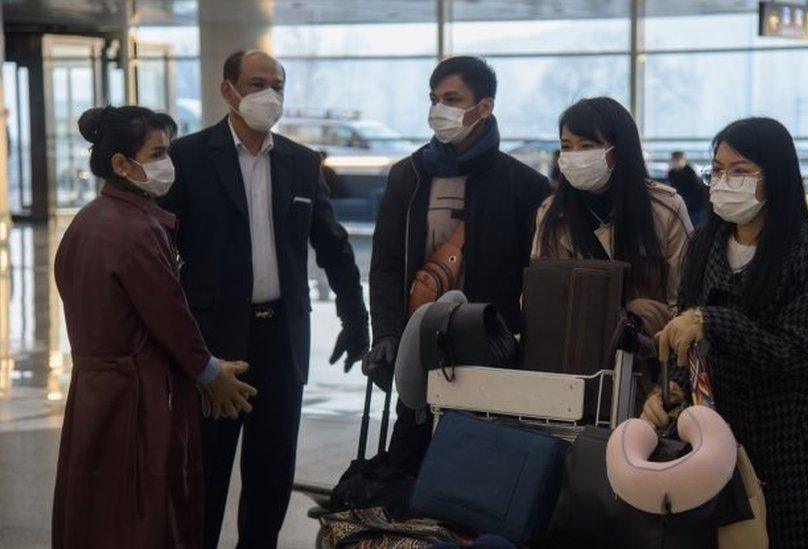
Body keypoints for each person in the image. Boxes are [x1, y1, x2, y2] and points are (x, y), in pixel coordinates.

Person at [160, 50, 369, 548]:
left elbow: (333, 243)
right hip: (215, 341)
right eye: (256, 83)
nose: (268, 95)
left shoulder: (300, 162)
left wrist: (353, 314)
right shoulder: (188, 158)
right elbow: (160, 253)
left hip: (282, 338)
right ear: (227, 90)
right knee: (205, 475)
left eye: (277, 84)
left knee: (272, 475)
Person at [52, 106, 257, 548]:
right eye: (157, 152)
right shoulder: (137, 231)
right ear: (122, 164)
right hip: (138, 400)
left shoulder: (87, 222)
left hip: (95, 393)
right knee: (141, 516)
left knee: (96, 513)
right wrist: (210, 374)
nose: (168, 164)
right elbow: (169, 317)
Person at [655, 117, 808, 547]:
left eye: (740, 171)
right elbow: (688, 343)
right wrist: (668, 391)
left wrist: (714, 320)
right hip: (715, 443)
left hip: (789, 451)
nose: (724, 181)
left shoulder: (807, 255)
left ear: (775, 177)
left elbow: (797, 356)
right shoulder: (704, 244)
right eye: (717, 170)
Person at [364, 56, 550, 476]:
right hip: (418, 344)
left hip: (488, 349)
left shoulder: (523, 186)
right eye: (434, 99)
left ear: (484, 107)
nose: (439, 110)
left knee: (474, 470)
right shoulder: (407, 176)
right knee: (407, 461)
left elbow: (536, 281)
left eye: (452, 98)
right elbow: (386, 265)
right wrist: (388, 333)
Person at [532, 97, 692, 336]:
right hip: (572, 349)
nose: (574, 155)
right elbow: (540, 293)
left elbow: (683, 300)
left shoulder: (665, 209)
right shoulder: (553, 213)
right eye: (566, 147)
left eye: (586, 146)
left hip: (649, 353)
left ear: (619, 150)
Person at [667, 151, 709, 228]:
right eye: (675, 160)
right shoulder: (672, 173)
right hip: (682, 204)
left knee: (694, 226)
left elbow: (696, 191)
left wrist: (685, 202)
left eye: (678, 160)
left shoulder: (690, 172)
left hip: (696, 206)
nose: (676, 162)